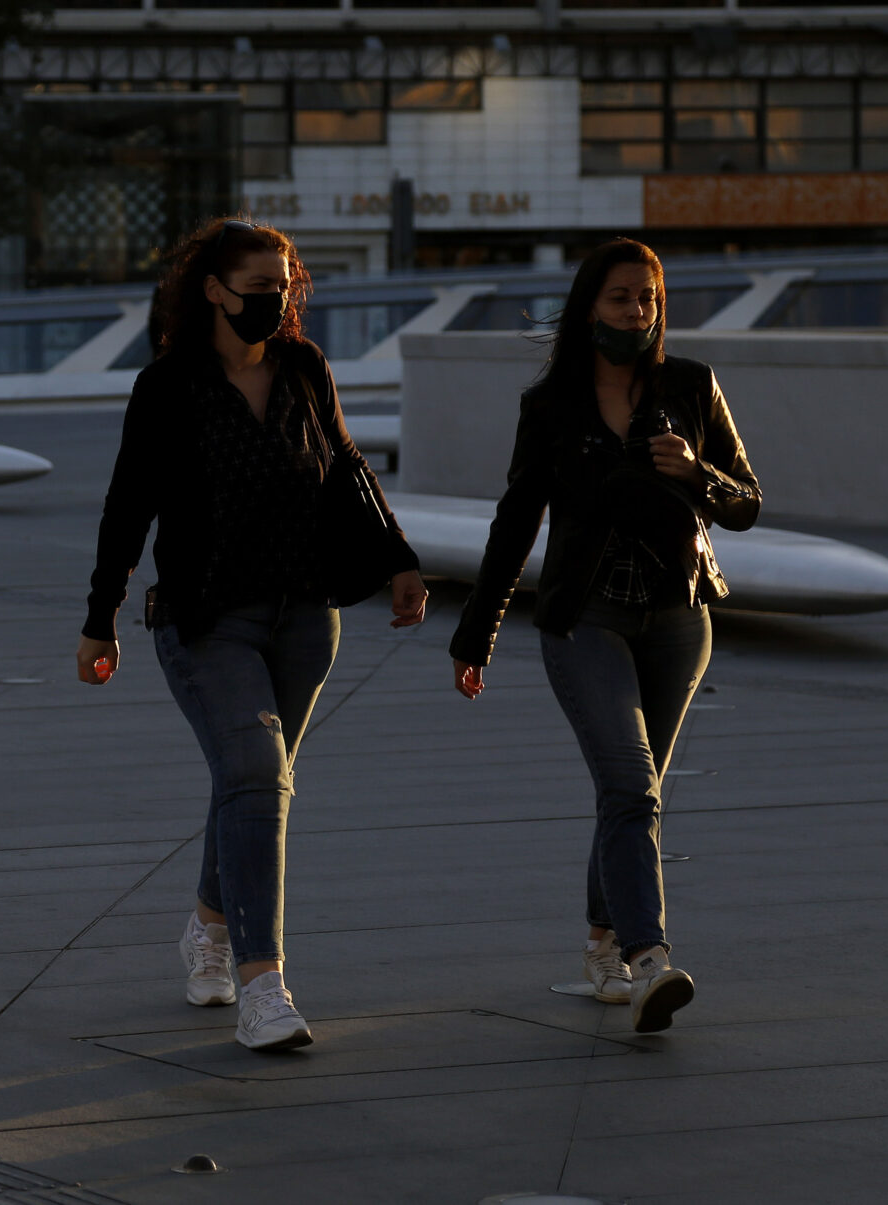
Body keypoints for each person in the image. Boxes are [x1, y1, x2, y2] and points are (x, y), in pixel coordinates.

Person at [77, 216, 427, 1051]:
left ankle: (208, 924)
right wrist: (100, 620)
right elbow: (128, 506)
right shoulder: (168, 386)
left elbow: (347, 466)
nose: (275, 299)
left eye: (284, 286)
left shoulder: (304, 367)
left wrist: (400, 560)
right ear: (213, 290)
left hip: (306, 617)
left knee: (251, 782)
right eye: (258, 287)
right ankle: (262, 984)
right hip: (207, 619)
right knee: (257, 775)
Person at [447, 238, 760, 1033]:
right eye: (621, 297)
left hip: (679, 621)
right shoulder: (551, 406)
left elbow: (747, 500)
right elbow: (516, 523)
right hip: (586, 620)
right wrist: (476, 634)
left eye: (648, 297)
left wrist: (696, 473)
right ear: (590, 305)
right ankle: (649, 958)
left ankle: (601, 941)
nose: (637, 311)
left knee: (631, 793)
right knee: (630, 784)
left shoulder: (691, 385)